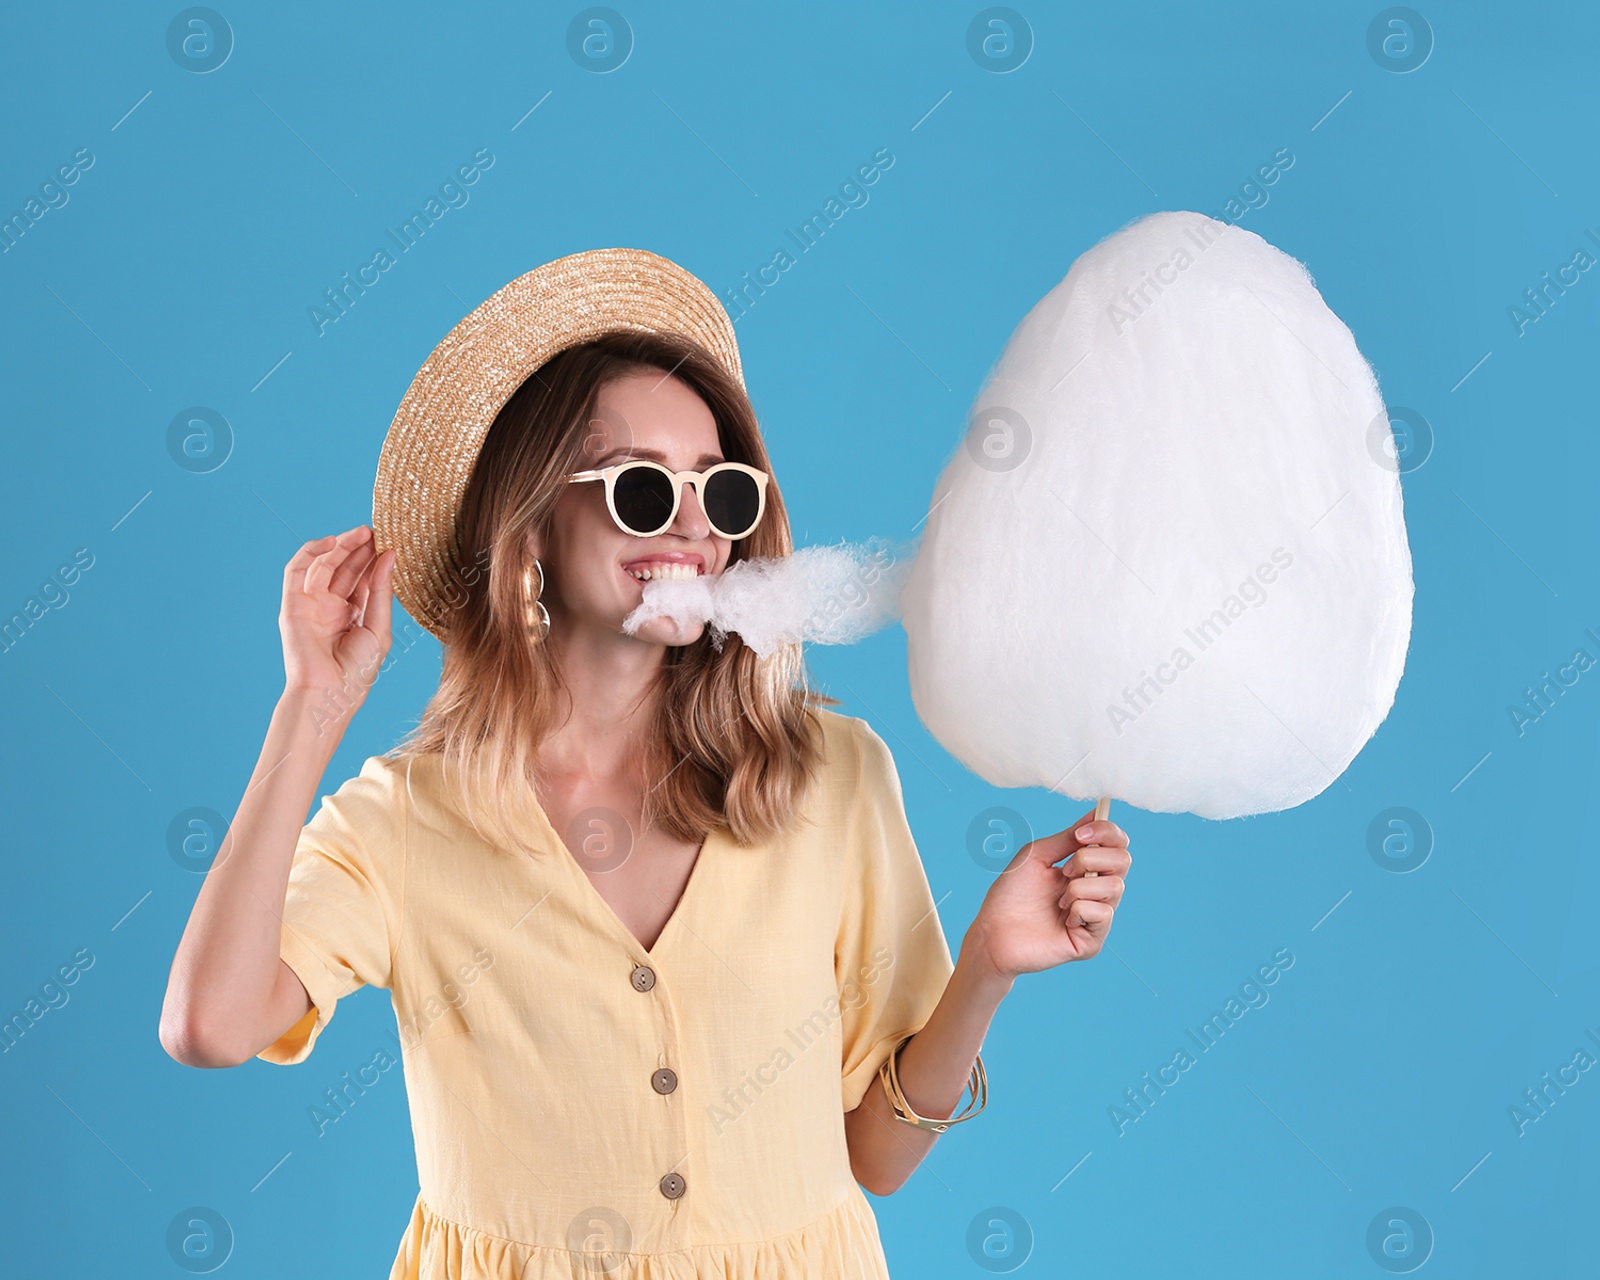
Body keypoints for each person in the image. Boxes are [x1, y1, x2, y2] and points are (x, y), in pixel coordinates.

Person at [157, 248, 1132, 1279]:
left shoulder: (832, 775)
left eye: (721, 491)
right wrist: (313, 706)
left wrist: (986, 962)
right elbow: (210, 1024)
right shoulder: (406, 817)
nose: (689, 524)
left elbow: (877, 1158)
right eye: (637, 488)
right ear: (531, 522)